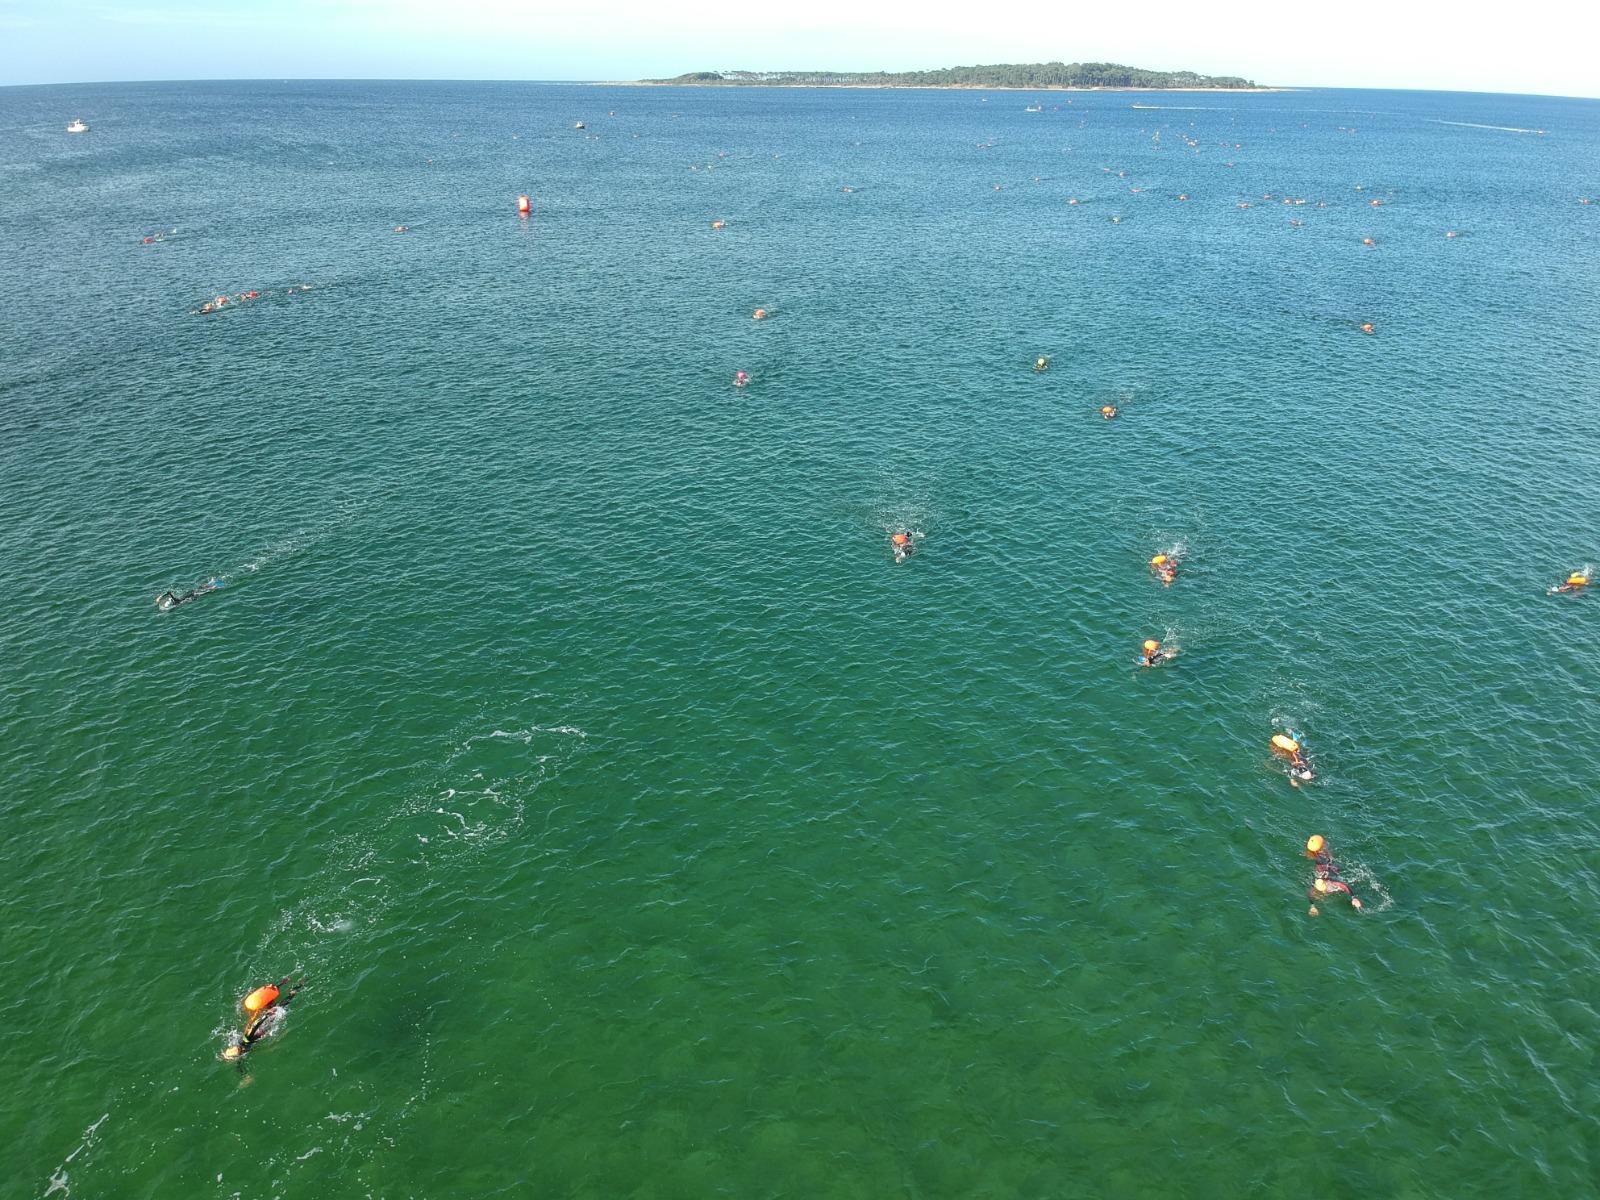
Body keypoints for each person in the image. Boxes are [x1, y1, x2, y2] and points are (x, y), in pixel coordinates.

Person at [222, 977, 302, 1062]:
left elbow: (255, 1026)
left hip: (263, 1025)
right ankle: (282, 984)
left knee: (281, 1007)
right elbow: (240, 1063)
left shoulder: (246, 1040)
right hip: (261, 1029)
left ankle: (296, 989)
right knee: (270, 1005)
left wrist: (266, 1015)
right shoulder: (241, 1046)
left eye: (240, 1050)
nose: (242, 1050)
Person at [1304, 835, 1363, 912]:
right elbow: (1310, 895)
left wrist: (1353, 898)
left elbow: (1344, 886)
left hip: (1332, 870)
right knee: (1322, 861)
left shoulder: (1332, 883)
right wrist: (1312, 906)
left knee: (1329, 863)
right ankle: (1319, 850)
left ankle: (1320, 849)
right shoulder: (1316, 885)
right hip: (1323, 870)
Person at [155, 579, 222, 611]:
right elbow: (169, 593)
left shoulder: (176, 603)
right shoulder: (175, 600)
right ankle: (211, 583)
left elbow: (169, 593)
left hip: (192, 595)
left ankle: (214, 587)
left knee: (204, 593)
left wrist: (160, 598)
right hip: (190, 593)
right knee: (200, 589)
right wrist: (160, 597)